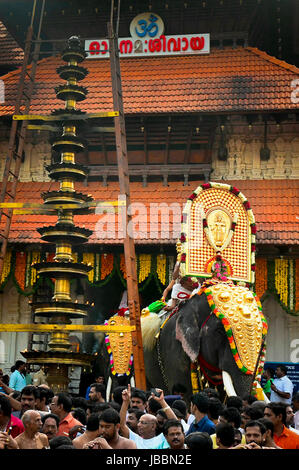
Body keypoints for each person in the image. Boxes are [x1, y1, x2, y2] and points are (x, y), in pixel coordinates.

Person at [120, 384, 177, 449]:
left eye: (143, 423)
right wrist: (125, 402)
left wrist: (162, 402)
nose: (138, 425)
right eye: (139, 422)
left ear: (153, 426)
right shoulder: (134, 439)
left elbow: (175, 424)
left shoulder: (163, 438)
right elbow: (122, 425)